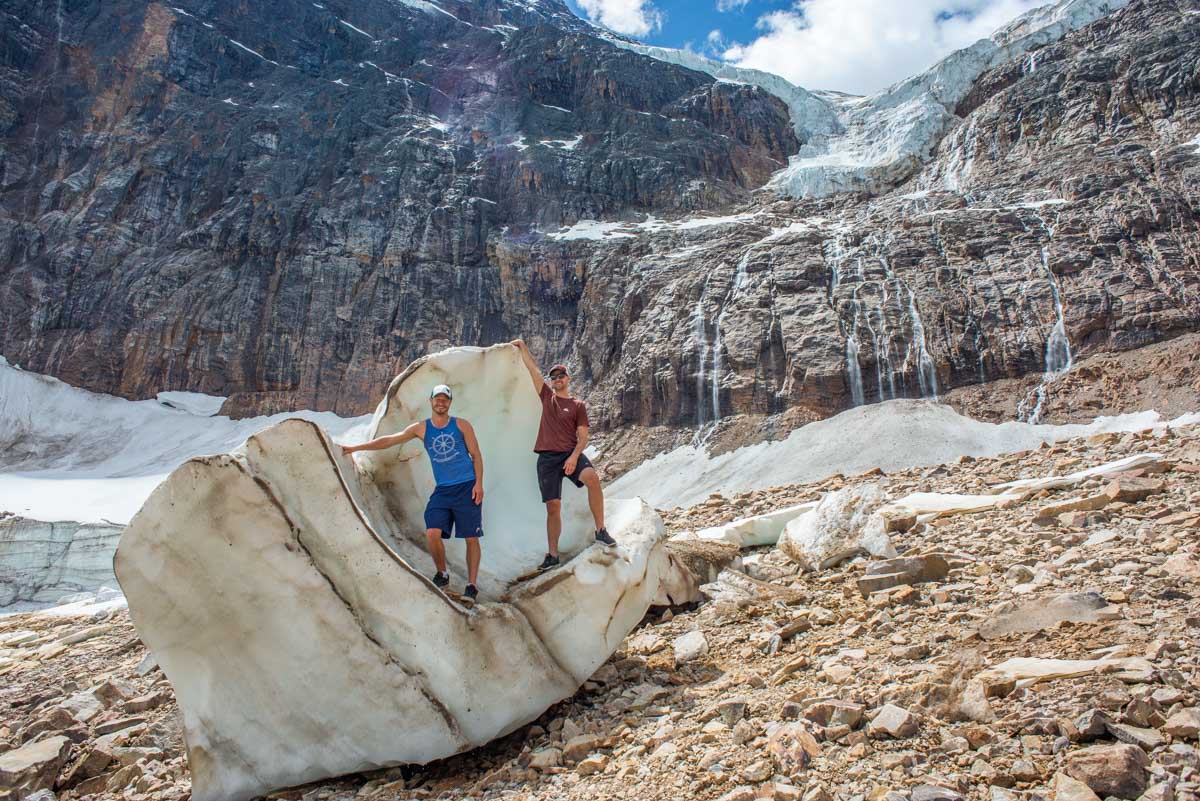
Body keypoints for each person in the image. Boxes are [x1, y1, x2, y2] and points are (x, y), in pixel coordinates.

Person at [341, 384, 484, 601]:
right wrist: (356, 448)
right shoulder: (421, 428)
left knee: (471, 537)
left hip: (466, 486)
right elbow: (390, 440)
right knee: (432, 532)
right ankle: (442, 573)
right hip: (443, 490)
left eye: (445, 399)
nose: (441, 402)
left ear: (450, 403)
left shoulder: (461, 425)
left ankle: (472, 586)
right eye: (438, 398)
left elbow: (476, 454)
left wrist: (478, 484)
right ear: (431, 401)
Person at [511, 339, 615, 570]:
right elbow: (533, 370)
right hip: (547, 459)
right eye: (554, 377)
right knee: (553, 507)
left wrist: (573, 457)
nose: (557, 379)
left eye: (561, 376)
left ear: (568, 379)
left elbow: (584, 437)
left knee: (593, 479)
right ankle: (552, 555)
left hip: (569, 453)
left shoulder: (578, 405)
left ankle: (600, 530)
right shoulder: (548, 397)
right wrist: (521, 346)